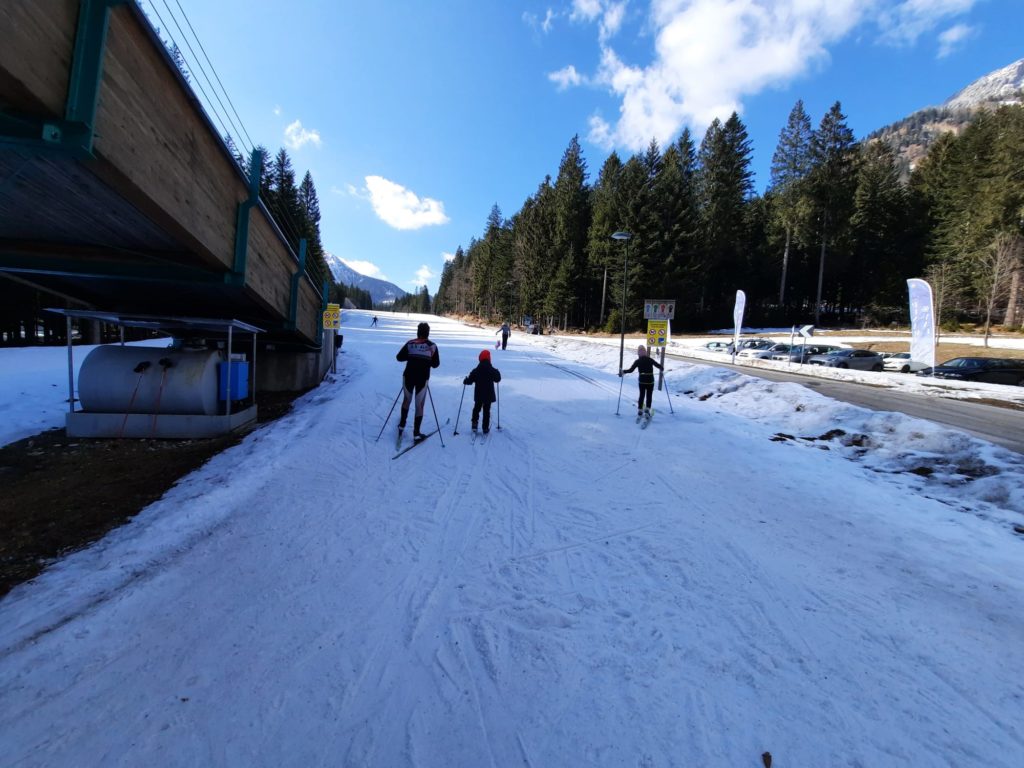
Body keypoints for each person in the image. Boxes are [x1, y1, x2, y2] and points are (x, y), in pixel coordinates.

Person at [396, 322, 440, 440]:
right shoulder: (432, 346)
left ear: (418, 332)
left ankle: (401, 425)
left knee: (406, 400)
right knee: (419, 405)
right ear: (428, 333)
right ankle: (416, 433)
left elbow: (399, 357)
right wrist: (426, 360)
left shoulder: (410, 343)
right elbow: (436, 364)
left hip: (408, 376)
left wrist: (411, 357)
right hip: (422, 378)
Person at [620, 344, 663, 421]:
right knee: (649, 395)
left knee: (642, 395)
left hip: (642, 381)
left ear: (638, 353)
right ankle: (647, 410)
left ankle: (640, 410)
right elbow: (658, 365)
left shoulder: (637, 361)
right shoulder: (650, 359)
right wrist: (661, 368)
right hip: (650, 381)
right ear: (645, 352)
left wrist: (624, 371)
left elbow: (631, 370)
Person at [464, 349, 501, 434]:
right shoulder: (492, 370)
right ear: (489, 358)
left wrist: (466, 380)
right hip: (488, 394)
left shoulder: (476, 370)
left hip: (479, 394)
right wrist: (498, 372)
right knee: (486, 410)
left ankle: (474, 423)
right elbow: (498, 379)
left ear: (480, 358)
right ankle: (485, 428)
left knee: (476, 408)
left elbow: (470, 380)